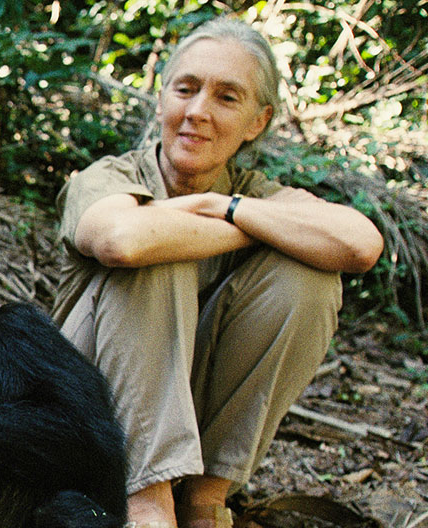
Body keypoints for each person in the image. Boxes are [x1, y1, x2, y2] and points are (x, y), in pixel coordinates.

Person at [50, 17, 384, 528]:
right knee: (157, 253)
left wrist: (224, 208)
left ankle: (205, 500)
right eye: (186, 89)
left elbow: (359, 245)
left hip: (190, 414)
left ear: (258, 122)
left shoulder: (253, 192)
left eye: (227, 98)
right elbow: (123, 240)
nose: (198, 112)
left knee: (310, 281)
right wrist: (253, 223)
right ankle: (147, 499)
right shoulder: (111, 177)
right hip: (80, 411)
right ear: (161, 99)